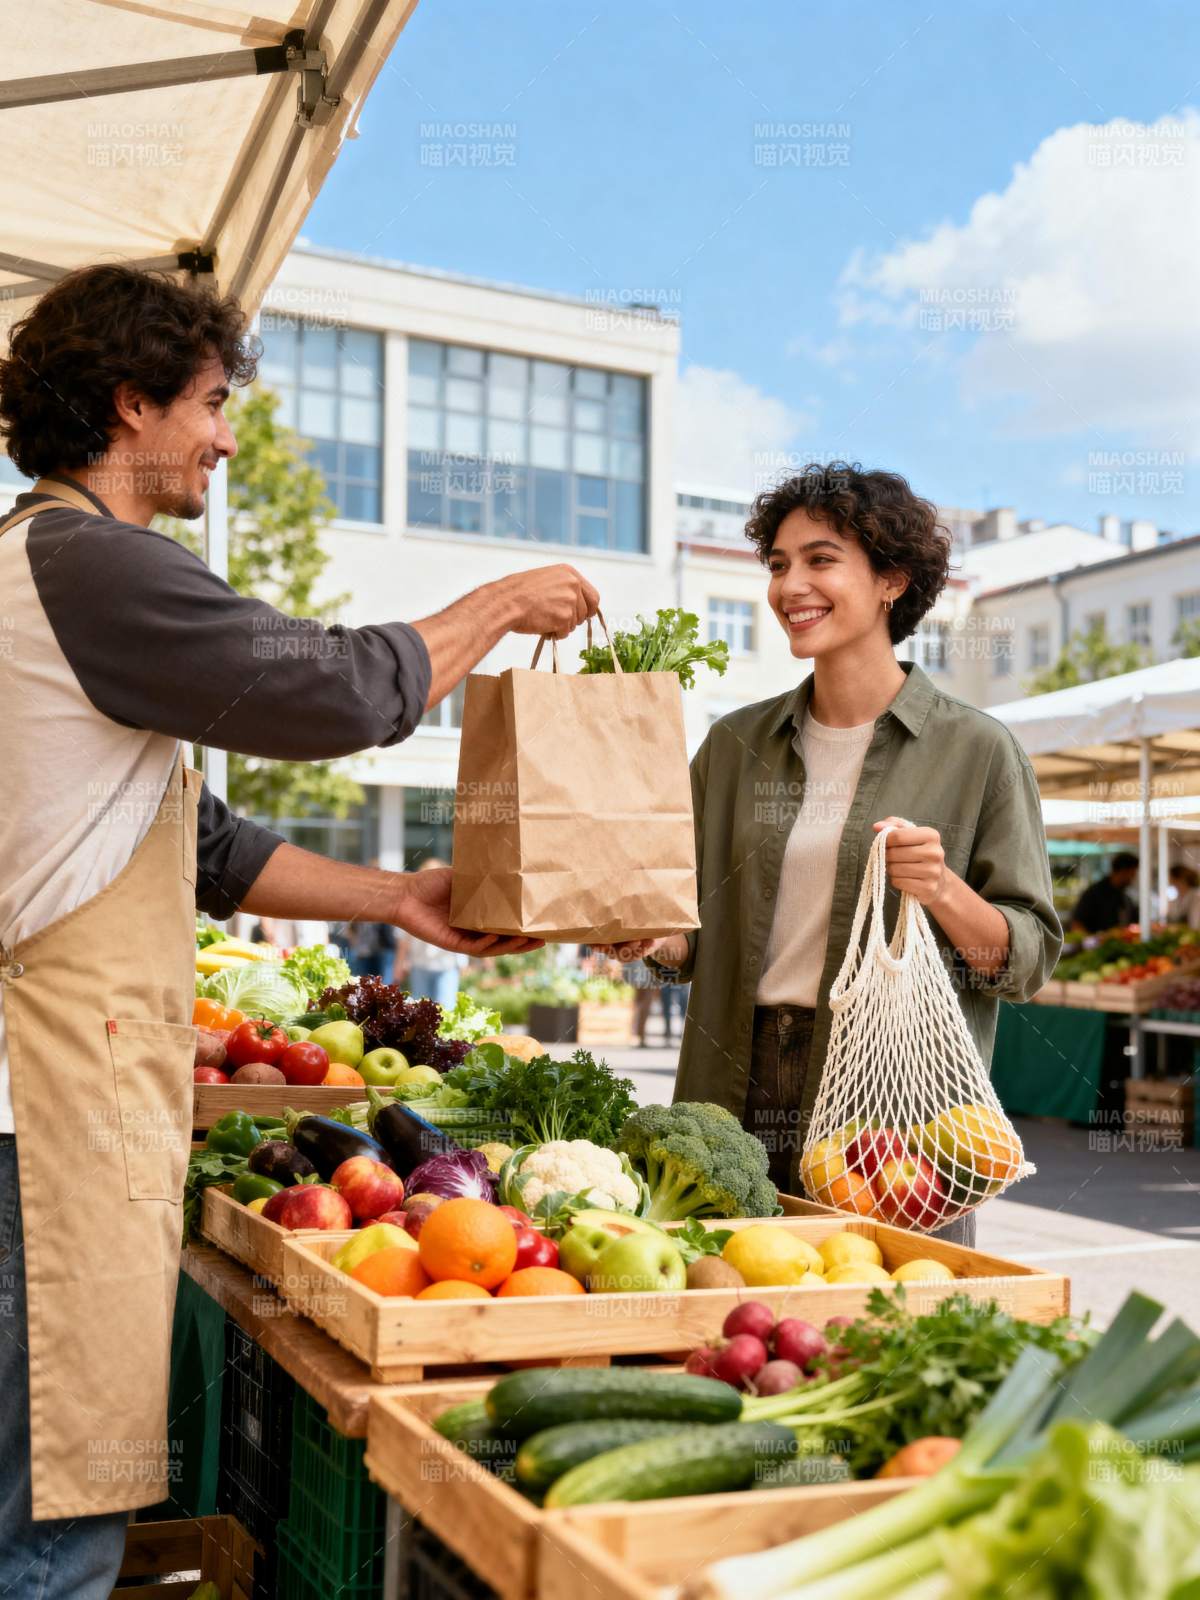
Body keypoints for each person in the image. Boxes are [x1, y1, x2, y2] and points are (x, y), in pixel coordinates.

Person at [0, 262, 600, 1597]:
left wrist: (397, 898)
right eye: (211, 404)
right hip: (33, 1125)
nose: (224, 435)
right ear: (130, 401)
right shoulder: (87, 564)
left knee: (42, 1498)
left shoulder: (49, 575)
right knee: (45, 1531)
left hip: (48, 1114)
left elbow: (202, 846)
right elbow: (333, 692)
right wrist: (500, 605)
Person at [604, 463, 1061, 1240]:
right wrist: (652, 938)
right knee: (725, 1320)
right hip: (733, 1078)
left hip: (890, 1106)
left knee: (877, 1326)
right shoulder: (733, 745)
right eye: (779, 565)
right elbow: (688, 934)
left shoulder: (978, 750)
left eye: (820, 560)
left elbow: (1025, 961)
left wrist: (943, 888)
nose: (790, 586)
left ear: (892, 580)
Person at [400, 859, 469, 1006]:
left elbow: (460, 932)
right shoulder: (414, 902)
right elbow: (404, 937)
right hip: (420, 965)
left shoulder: (451, 902)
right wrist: (401, 962)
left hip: (446, 966)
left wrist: (462, 962)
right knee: (421, 1007)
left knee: (445, 1007)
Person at [1069, 853, 1139, 934]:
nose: (1133, 878)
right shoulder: (1094, 893)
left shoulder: (1125, 897)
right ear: (1123, 871)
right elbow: (1077, 924)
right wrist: (1091, 942)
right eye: (1132, 874)